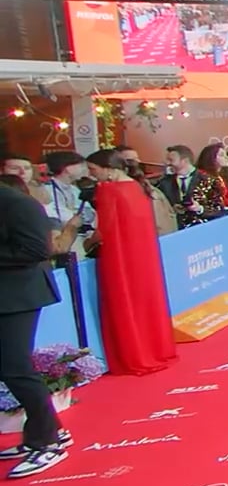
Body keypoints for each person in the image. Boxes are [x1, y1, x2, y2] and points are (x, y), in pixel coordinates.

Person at [82, 150, 176, 376]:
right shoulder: (137, 186)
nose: (92, 175)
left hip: (120, 256)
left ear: (107, 168)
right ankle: (154, 347)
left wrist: (87, 242)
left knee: (125, 300)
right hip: (143, 255)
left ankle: (134, 353)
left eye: (93, 170)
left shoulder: (108, 190)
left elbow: (104, 229)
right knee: (145, 300)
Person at [0, 175, 68, 478]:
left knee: (15, 367)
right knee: (10, 367)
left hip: (19, 295)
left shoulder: (18, 203)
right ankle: (48, 429)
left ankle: (47, 442)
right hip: (9, 294)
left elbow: (35, 250)